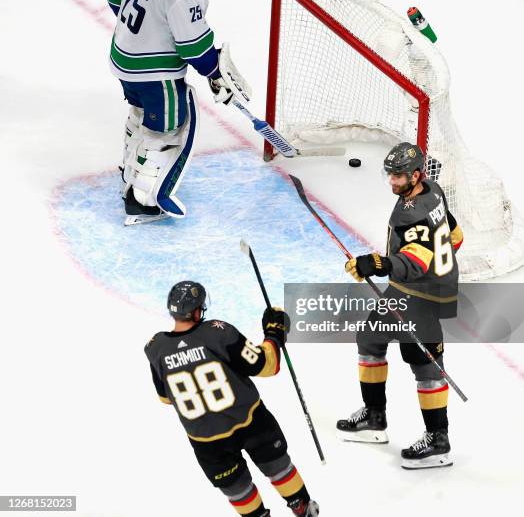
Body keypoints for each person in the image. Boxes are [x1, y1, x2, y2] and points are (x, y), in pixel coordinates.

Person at [337, 142, 463, 469]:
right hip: (411, 289)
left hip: (421, 294)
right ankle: (375, 417)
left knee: (424, 363)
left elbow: (414, 263)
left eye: (399, 175)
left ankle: (438, 440)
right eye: (390, 175)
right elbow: (456, 235)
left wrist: (376, 264)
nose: (392, 181)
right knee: (370, 338)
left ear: (416, 174)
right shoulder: (433, 191)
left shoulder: (413, 214)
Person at [107, 0, 243, 225]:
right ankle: (141, 200)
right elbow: (193, 48)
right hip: (155, 72)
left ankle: (129, 174)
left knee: (140, 113)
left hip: (121, 56)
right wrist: (213, 71)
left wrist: (140, 35)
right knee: (165, 131)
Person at [144, 281, 320, 516]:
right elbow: (266, 366)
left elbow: (165, 398)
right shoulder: (218, 332)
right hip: (251, 421)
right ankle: (303, 508)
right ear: (197, 311)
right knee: (278, 468)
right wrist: (274, 335)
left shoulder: (155, 348)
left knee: (237, 489)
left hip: (206, 441)